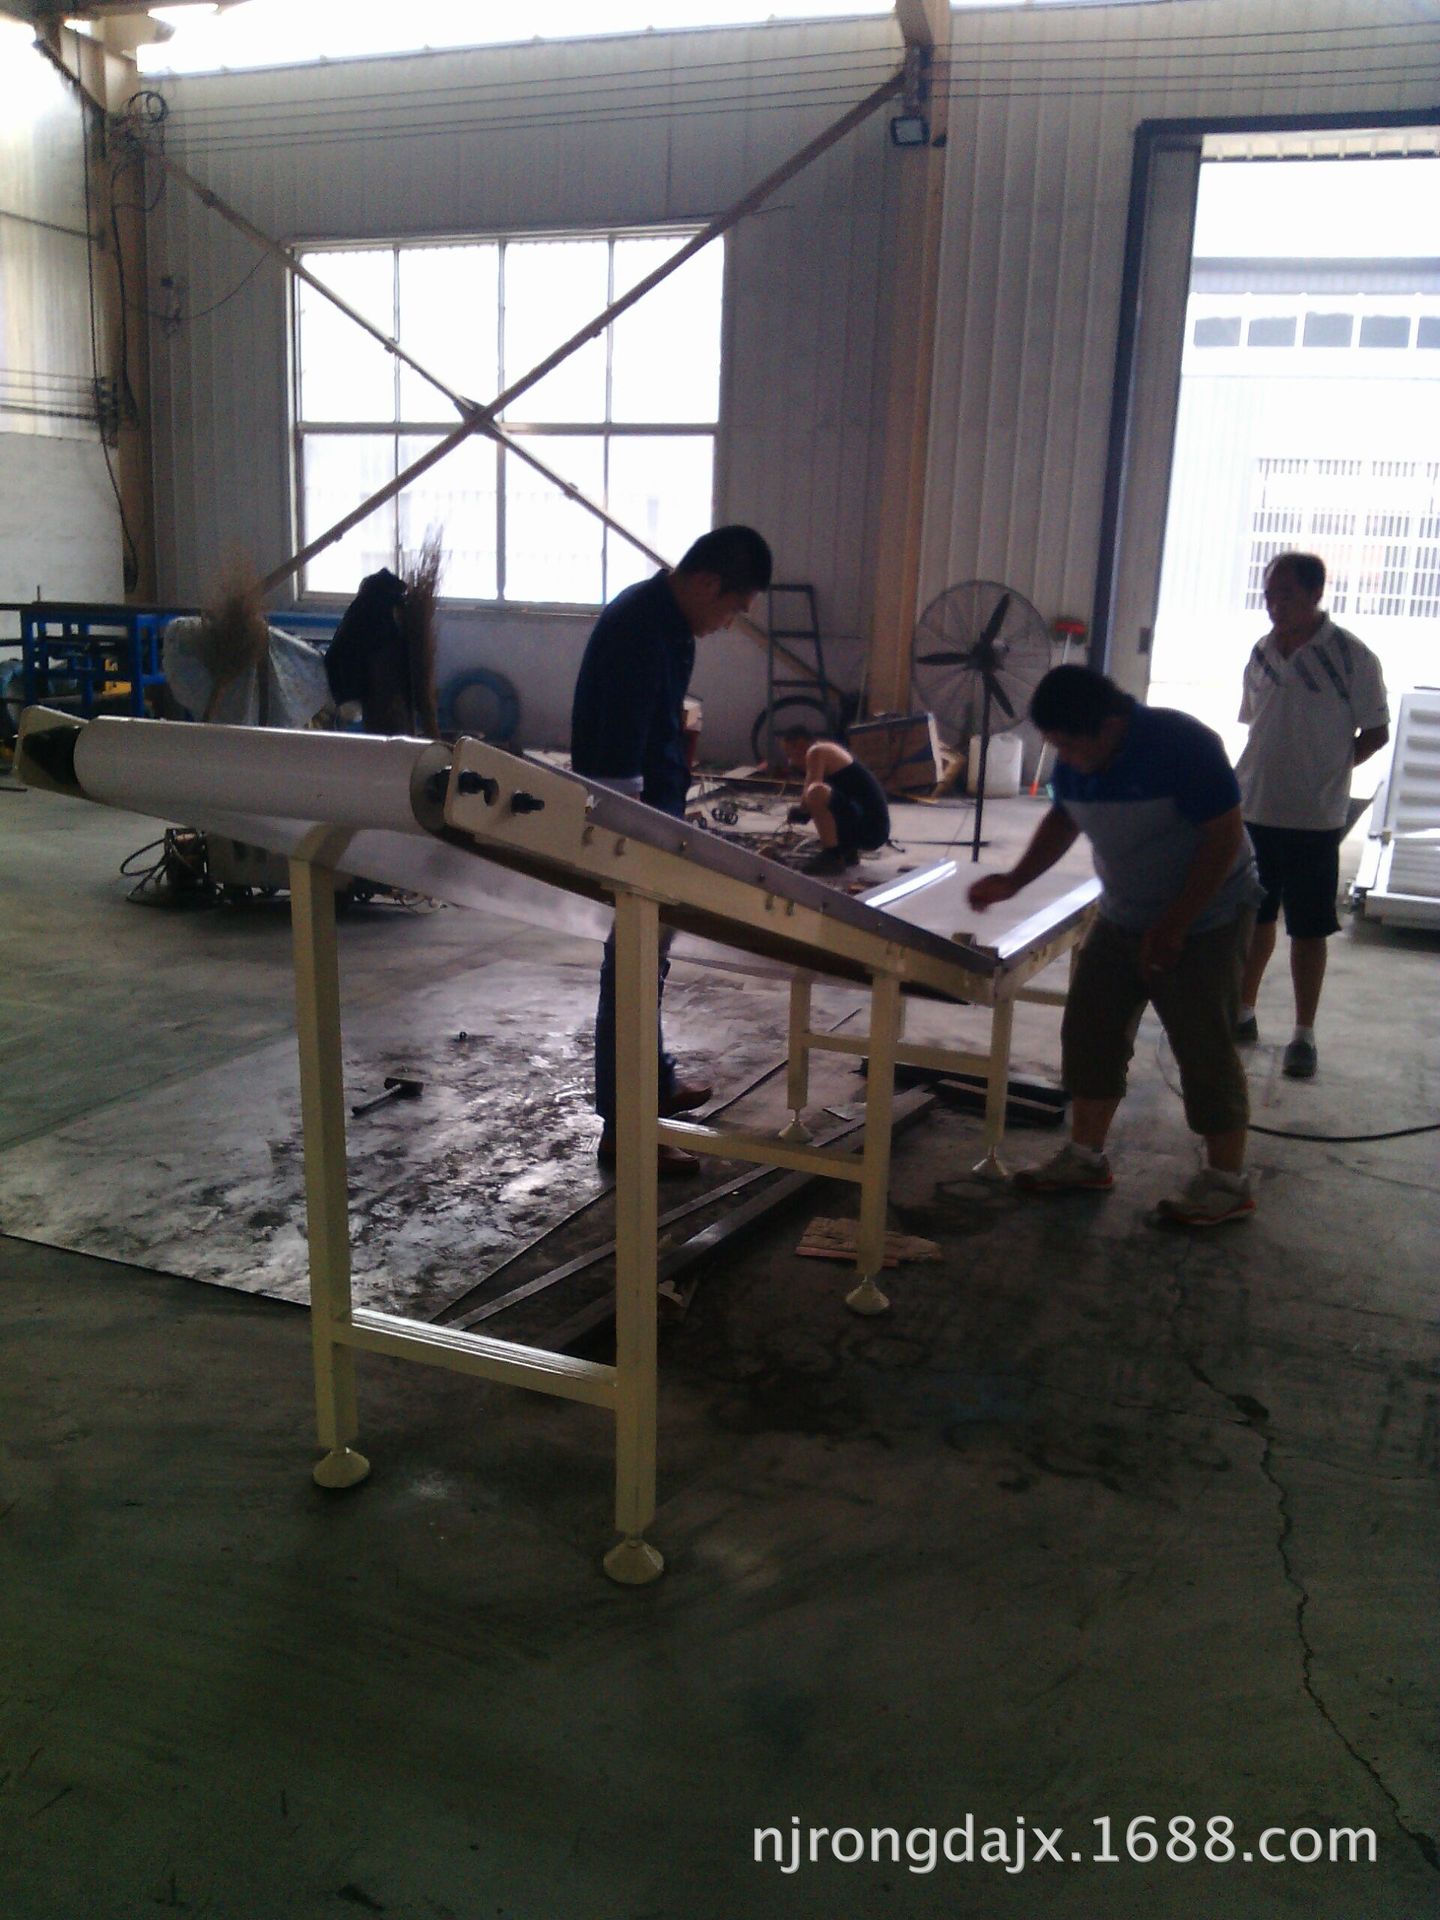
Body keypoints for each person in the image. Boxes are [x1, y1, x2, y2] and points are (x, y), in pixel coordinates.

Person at [968, 664, 1263, 1228]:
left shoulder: (1184, 745)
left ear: (1110, 725)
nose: (1066, 758)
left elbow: (1223, 837)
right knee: (1090, 1032)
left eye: (1071, 746)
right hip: (1123, 912)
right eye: (1057, 747)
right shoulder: (1078, 754)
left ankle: (1227, 1184)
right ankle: (1085, 1159)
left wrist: (1176, 924)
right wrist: (1014, 880)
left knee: (1203, 1045)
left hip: (1208, 918)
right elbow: (1064, 818)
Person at [571, 524, 774, 1177]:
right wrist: (637, 840)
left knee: (646, 963)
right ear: (708, 583)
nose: (729, 622)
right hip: (631, 820)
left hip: (658, 813)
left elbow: (659, 729)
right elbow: (615, 753)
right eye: (733, 608)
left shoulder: (671, 627)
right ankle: (626, 1128)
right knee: (631, 965)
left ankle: (653, 1086)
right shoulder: (638, 629)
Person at [1233, 551, 1390, 1080]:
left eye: (1287, 596)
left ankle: (1303, 1034)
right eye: (1269, 596)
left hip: (1314, 819)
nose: (1275, 606)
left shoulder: (1351, 657)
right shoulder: (1260, 652)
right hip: (1255, 808)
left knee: (1308, 928)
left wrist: (1330, 768)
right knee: (1254, 919)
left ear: (1316, 595)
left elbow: (1376, 731)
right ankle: (1243, 1011)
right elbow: (1257, 722)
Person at [779, 727, 890, 874]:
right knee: (826, 798)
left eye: (790, 754)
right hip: (868, 824)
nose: (790, 762)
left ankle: (832, 856)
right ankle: (846, 852)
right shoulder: (828, 752)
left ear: (799, 745)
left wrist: (801, 812)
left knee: (816, 792)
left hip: (871, 828)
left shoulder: (817, 751)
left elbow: (811, 791)